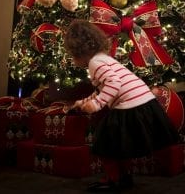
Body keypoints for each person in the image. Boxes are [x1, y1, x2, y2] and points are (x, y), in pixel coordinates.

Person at [64, 19, 180, 192]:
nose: (73, 60)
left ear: (78, 51)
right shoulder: (103, 59)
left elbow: (114, 83)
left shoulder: (95, 63)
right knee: (119, 145)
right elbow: (104, 87)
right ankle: (123, 178)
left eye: (72, 55)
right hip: (144, 101)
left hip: (130, 105)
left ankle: (114, 179)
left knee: (104, 144)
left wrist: (97, 104)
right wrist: (83, 102)